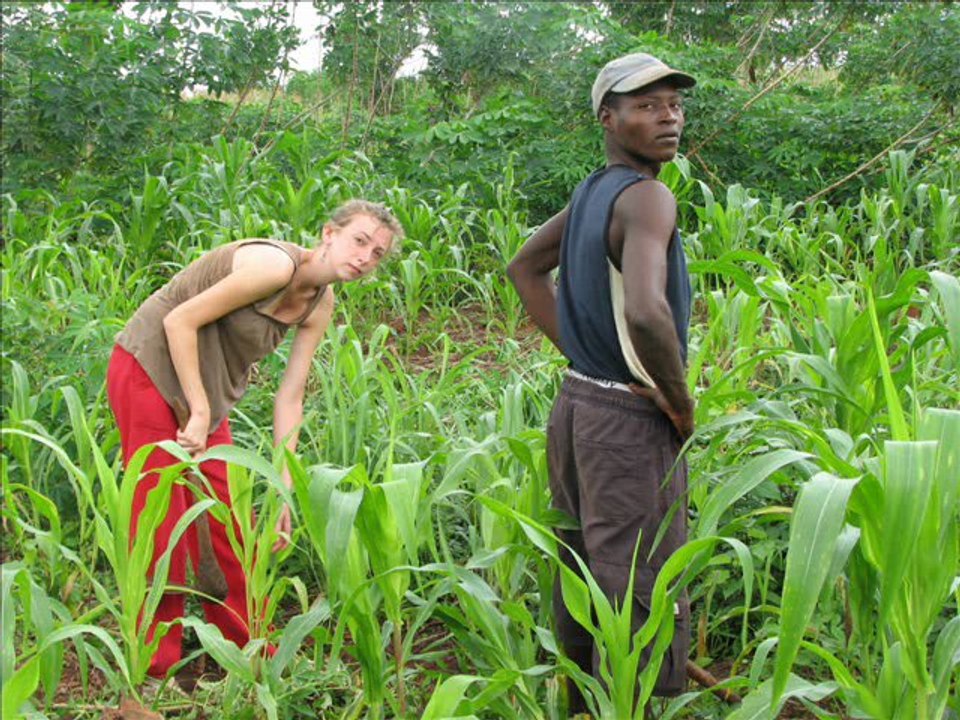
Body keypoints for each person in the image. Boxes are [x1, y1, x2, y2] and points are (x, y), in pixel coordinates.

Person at [107, 199, 403, 679]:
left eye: (377, 254)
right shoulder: (272, 266)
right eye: (360, 241)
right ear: (329, 233)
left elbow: (290, 398)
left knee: (227, 521)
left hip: (205, 392)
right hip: (150, 371)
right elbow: (177, 321)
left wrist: (283, 487)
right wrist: (198, 410)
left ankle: (248, 652)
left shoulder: (319, 303)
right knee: (161, 525)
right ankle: (152, 670)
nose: (366, 257)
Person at [507, 53, 696, 710]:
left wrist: (591, 356)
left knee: (584, 572)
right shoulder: (647, 196)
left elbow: (524, 268)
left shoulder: (594, 191)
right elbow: (646, 309)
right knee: (643, 584)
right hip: (628, 427)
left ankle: (586, 703)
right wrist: (679, 402)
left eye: (674, 103)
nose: (667, 117)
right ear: (607, 118)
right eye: (646, 106)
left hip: (578, 408)